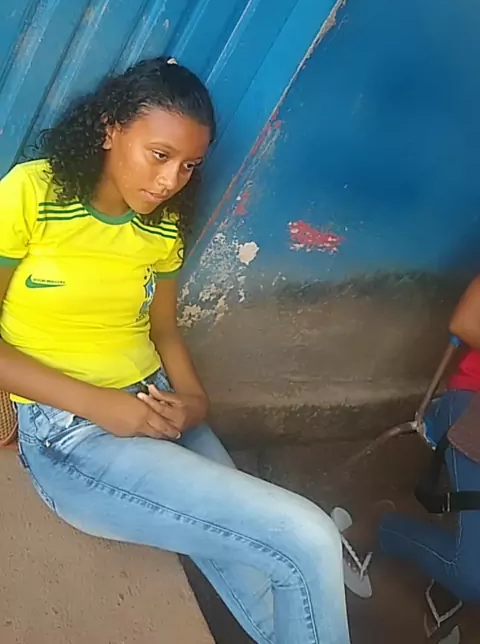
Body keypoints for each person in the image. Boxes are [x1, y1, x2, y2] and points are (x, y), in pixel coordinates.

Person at [0, 57, 350, 644]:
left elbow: (163, 330)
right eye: (159, 155)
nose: (169, 182)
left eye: (188, 166)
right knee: (307, 538)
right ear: (110, 129)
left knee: (275, 579)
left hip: (159, 407)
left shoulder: (161, 227)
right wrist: (102, 405)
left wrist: (194, 403)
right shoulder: (33, 193)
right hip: (72, 434)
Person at [378, 276, 480, 636]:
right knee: (472, 577)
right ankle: (379, 527)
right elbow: (465, 322)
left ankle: (453, 559)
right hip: (473, 406)